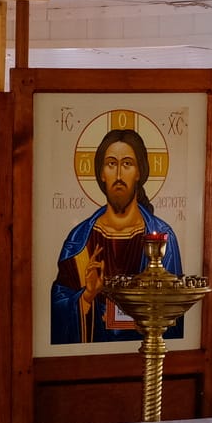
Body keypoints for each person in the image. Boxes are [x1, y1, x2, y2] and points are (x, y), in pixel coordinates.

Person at [49, 128, 181, 345]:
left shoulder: (163, 237)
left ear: (139, 172)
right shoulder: (80, 241)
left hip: (146, 353)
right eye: (111, 164)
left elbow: (175, 310)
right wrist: (87, 296)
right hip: (92, 359)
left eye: (127, 164)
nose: (119, 175)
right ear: (101, 173)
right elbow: (57, 310)